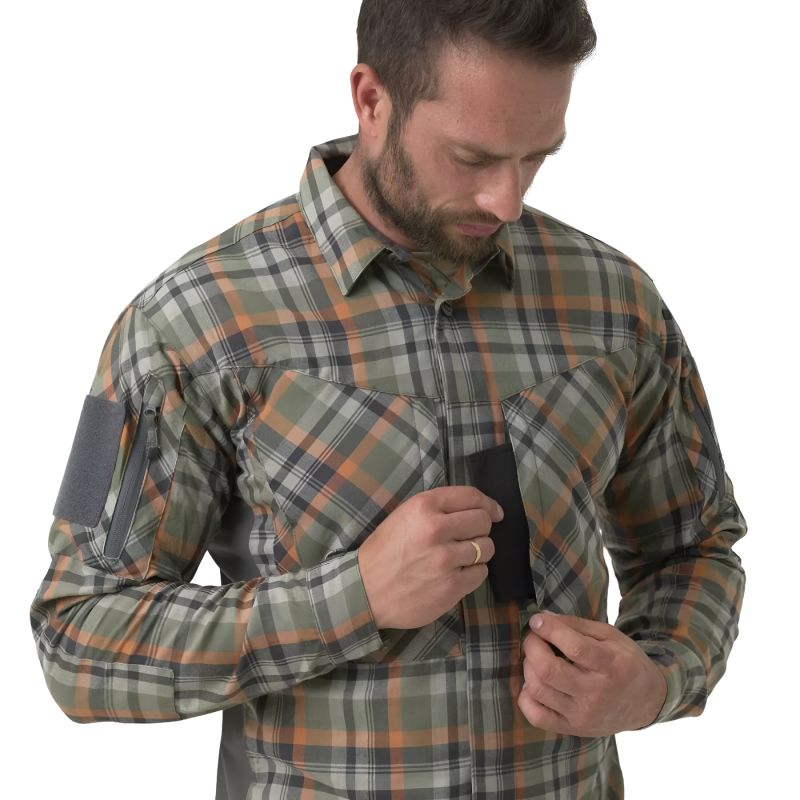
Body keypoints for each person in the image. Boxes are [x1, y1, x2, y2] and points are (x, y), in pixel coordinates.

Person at [30, 1, 746, 797]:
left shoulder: (616, 305)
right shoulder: (185, 324)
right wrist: (353, 597)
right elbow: (77, 639)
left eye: (537, 157)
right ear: (372, 99)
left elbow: (695, 549)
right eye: (472, 157)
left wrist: (658, 677)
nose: (506, 201)